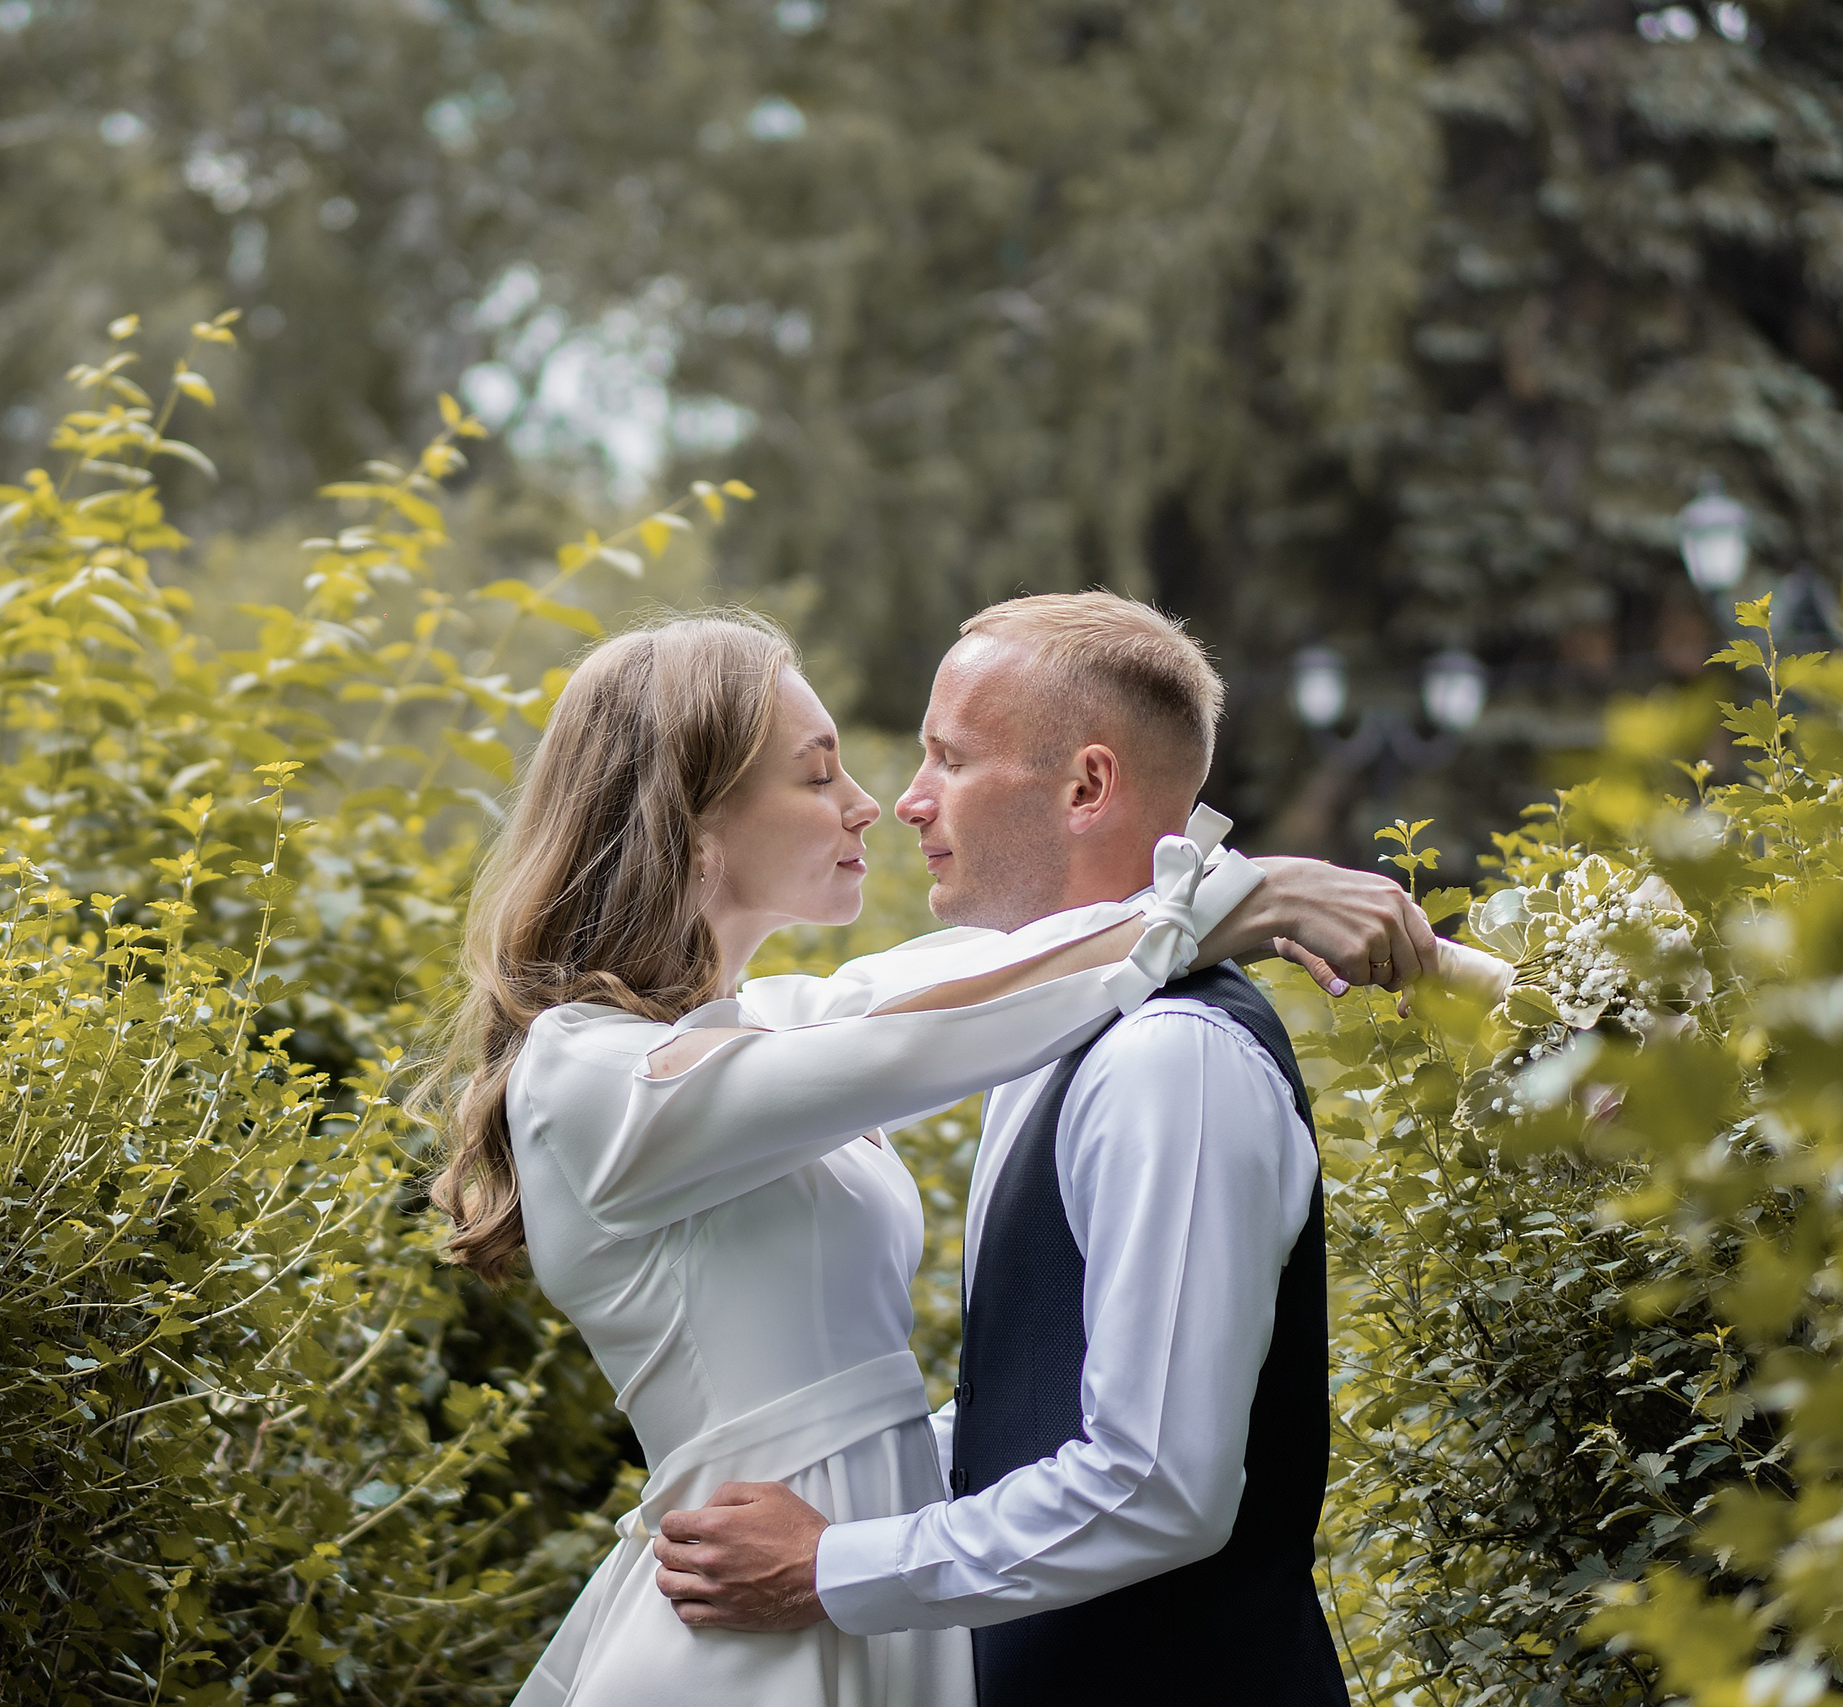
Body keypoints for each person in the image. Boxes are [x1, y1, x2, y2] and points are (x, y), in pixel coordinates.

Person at [427, 607, 1459, 1707]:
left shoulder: (757, 1030)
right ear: (693, 821)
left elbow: (939, 988)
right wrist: (1232, 900)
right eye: (819, 776)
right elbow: (932, 1020)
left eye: (944, 759)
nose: (878, 802)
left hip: (849, 1596)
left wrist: (1490, 985)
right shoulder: (589, 1076)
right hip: (749, 1628)